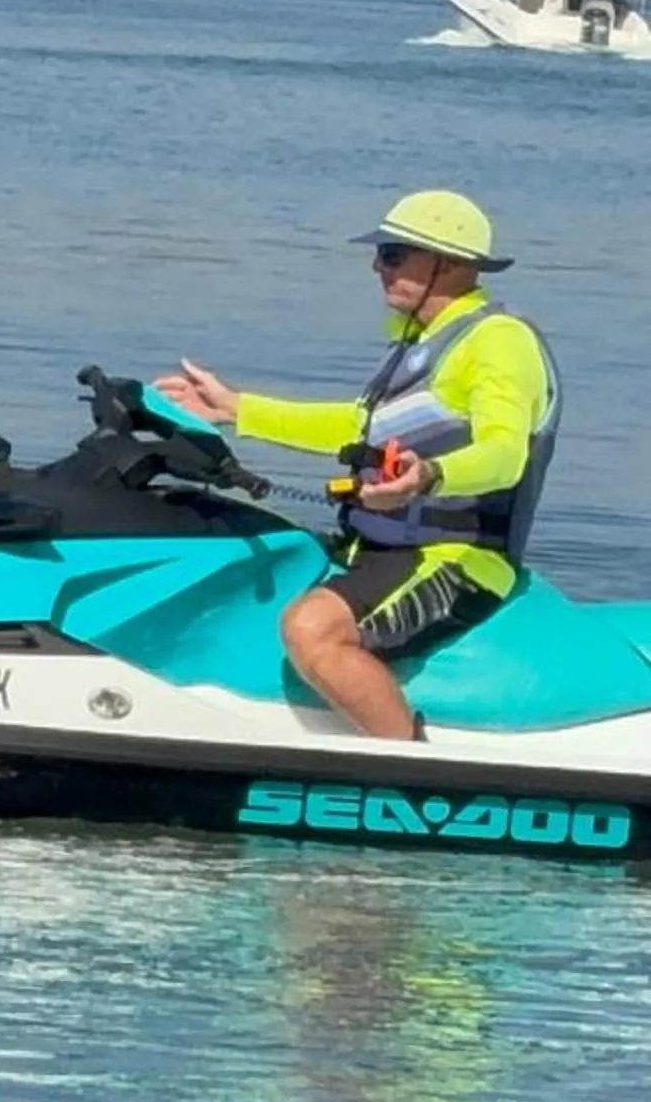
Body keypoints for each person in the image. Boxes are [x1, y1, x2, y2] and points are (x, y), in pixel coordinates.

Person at [157, 191, 557, 742]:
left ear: (448, 264)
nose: (377, 266)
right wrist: (234, 409)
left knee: (312, 629)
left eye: (393, 254)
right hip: (381, 547)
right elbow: (361, 429)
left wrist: (430, 476)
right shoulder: (425, 342)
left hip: (458, 557)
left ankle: (409, 768)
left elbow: (504, 455)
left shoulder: (499, 341)